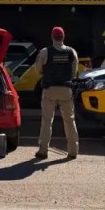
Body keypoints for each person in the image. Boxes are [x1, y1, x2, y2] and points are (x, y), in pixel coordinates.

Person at [34, 26, 80, 160]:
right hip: (66, 90)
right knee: (70, 121)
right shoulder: (72, 52)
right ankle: (73, 151)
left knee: (47, 120)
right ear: (63, 37)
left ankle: (43, 151)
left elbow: (38, 70)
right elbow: (74, 70)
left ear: (52, 37)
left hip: (50, 90)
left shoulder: (45, 52)